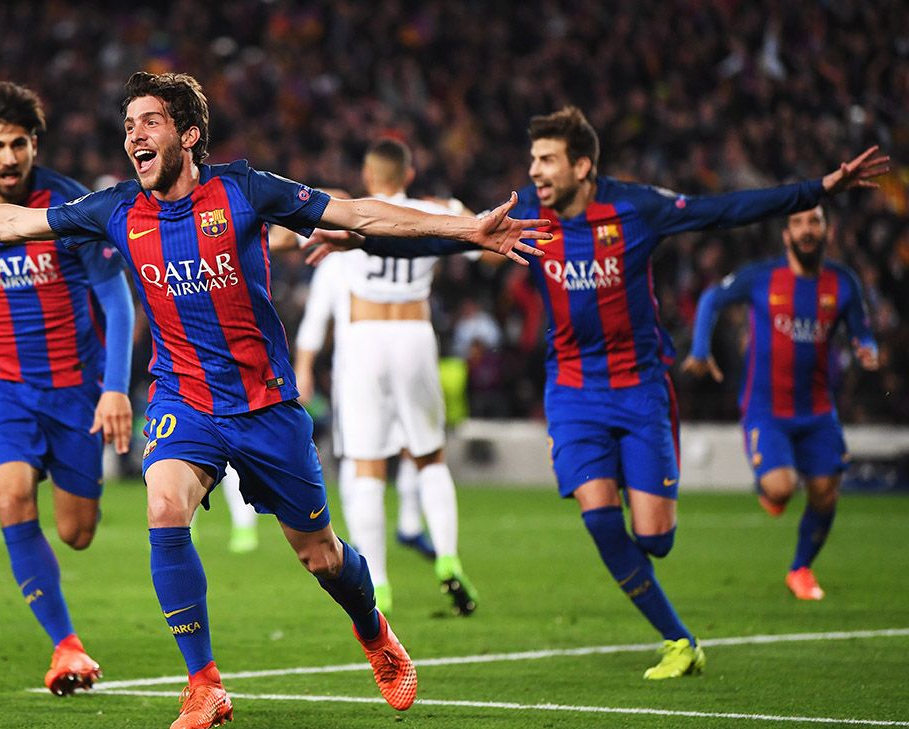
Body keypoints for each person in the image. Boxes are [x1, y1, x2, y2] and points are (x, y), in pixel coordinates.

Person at [0, 71, 549, 728]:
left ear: (188, 134)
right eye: (128, 125)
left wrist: (467, 229)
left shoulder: (245, 190)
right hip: (183, 398)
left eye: (149, 122)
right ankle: (204, 682)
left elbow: (360, 213)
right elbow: (13, 224)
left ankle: (374, 632)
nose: (134, 136)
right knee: (162, 505)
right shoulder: (117, 208)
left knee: (319, 554)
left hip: (264, 404)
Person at [316, 106, 887, 679]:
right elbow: (441, 244)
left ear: (583, 165)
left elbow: (725, 210)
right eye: (533, 159)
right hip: (572, 392)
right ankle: (680, 640)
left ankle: (646, 504)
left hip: (640, 389)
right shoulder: (529, 214)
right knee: (599, 518)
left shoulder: (637, 209)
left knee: (655, 539)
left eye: (547, 160)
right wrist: (362, 245)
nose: (534, 171)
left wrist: (820, 188)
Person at [0, 82, 136, 697]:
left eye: (18, 144)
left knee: (76, 533)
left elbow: (117, 300)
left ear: (35, 144)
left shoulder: (71, 207)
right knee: (10, 495)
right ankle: (67, 646)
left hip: (75, 388)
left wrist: (115, 388)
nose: (8, 158)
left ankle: (57, 475)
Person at [297, 140, 475, 616]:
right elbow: (484, 242)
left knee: (366, 465)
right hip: (414, 332)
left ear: (368, 174)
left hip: (364, 338)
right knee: (429, 457)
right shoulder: (428, 211)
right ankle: (448, 556)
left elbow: (295, 228)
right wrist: (455, 207)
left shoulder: (350, 211)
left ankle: (378, 581)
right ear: (408, 174)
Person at [683, 205, 878, 601]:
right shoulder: (762, 277)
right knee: (781, 488)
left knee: (825, 490)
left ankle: (800, 569)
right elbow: (711, 298)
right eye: (798, 222)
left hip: (818, 410)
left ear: (827, 230)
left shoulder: (843, 282)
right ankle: (770, 486)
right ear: (786, 235)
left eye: (814, 222)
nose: (807, 230)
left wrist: (867, 347)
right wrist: (701, 349)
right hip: (766, 409)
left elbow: (862, 329)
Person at [292, 244, 438, 585]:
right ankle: (370, 533)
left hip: (366, 369)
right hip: (356, 370)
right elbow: (316, 320)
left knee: (378, 452)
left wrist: (304, 367)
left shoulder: (352, 258)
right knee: (383, 451)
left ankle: (404, 522)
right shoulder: (341, 261)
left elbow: (314, 321)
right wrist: (304, 367)